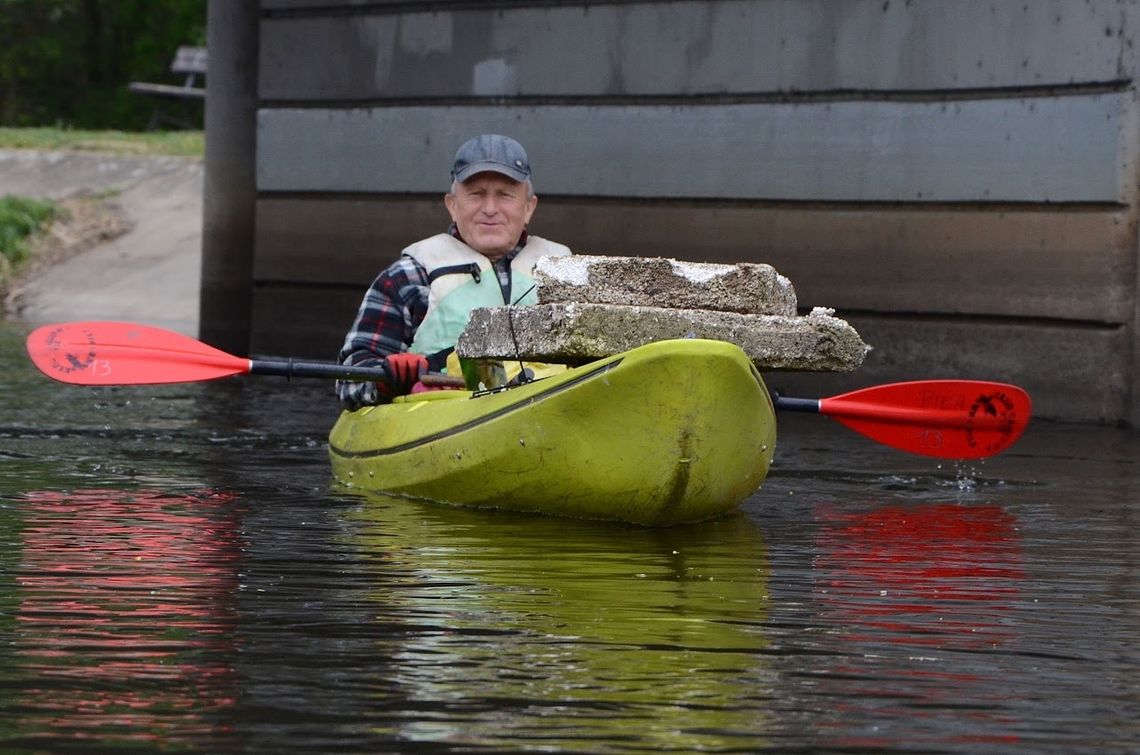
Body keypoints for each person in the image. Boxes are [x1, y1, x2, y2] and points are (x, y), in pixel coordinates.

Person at [336, 134, 572, 409]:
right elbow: (350, 382)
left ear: (528, 207)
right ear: (452, 205)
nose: (490, 209)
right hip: (440, 412)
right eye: (476, 194)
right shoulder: (407, 277)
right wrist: (386, 380)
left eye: (505, 195)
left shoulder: (566, 273)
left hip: (548, 406)